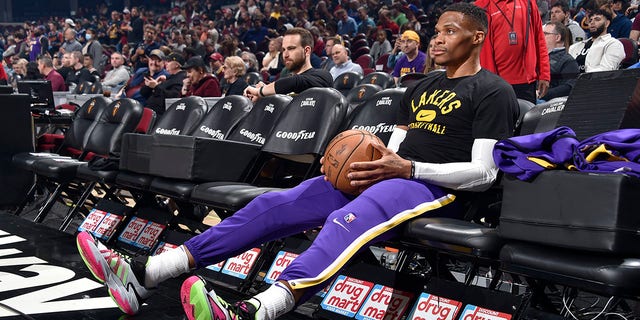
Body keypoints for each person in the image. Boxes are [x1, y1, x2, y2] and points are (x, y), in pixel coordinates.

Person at [76, 11, 518, 319]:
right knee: (274, 205)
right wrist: (365, 158)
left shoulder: (493, 91)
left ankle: (258, 309)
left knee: (350, 216)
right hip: (394, 175)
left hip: (439, 191)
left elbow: (484, 173)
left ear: (476, 37)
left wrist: (407, 171)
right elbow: (397, 146)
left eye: (449, 32)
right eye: (435, 31)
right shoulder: (421, 87)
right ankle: (146, 273)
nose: (436, 39)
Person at [476, 0, 551, 103]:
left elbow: (539, 38)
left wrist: (544, 74)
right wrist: (489, 83)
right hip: (497, 84)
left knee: (527, 118)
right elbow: (480, 50)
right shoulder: (482, 5)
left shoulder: (528, 2)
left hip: (527, 83)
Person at [244, 28, 333, 102]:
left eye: (291, 48)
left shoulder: (323, 76)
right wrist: (263, 97)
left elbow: (295, 82)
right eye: (283, 49)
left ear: (307, 51)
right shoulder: (284, 81)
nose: (285, 55)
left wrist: (260, 91)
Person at [541, 22, 579, 101]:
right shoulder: (536, 57)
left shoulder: (568, 61)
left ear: (557, 37)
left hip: (548, 104)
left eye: (545, 34)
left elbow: (569, 87)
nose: (540, 36)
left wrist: (542, 94)